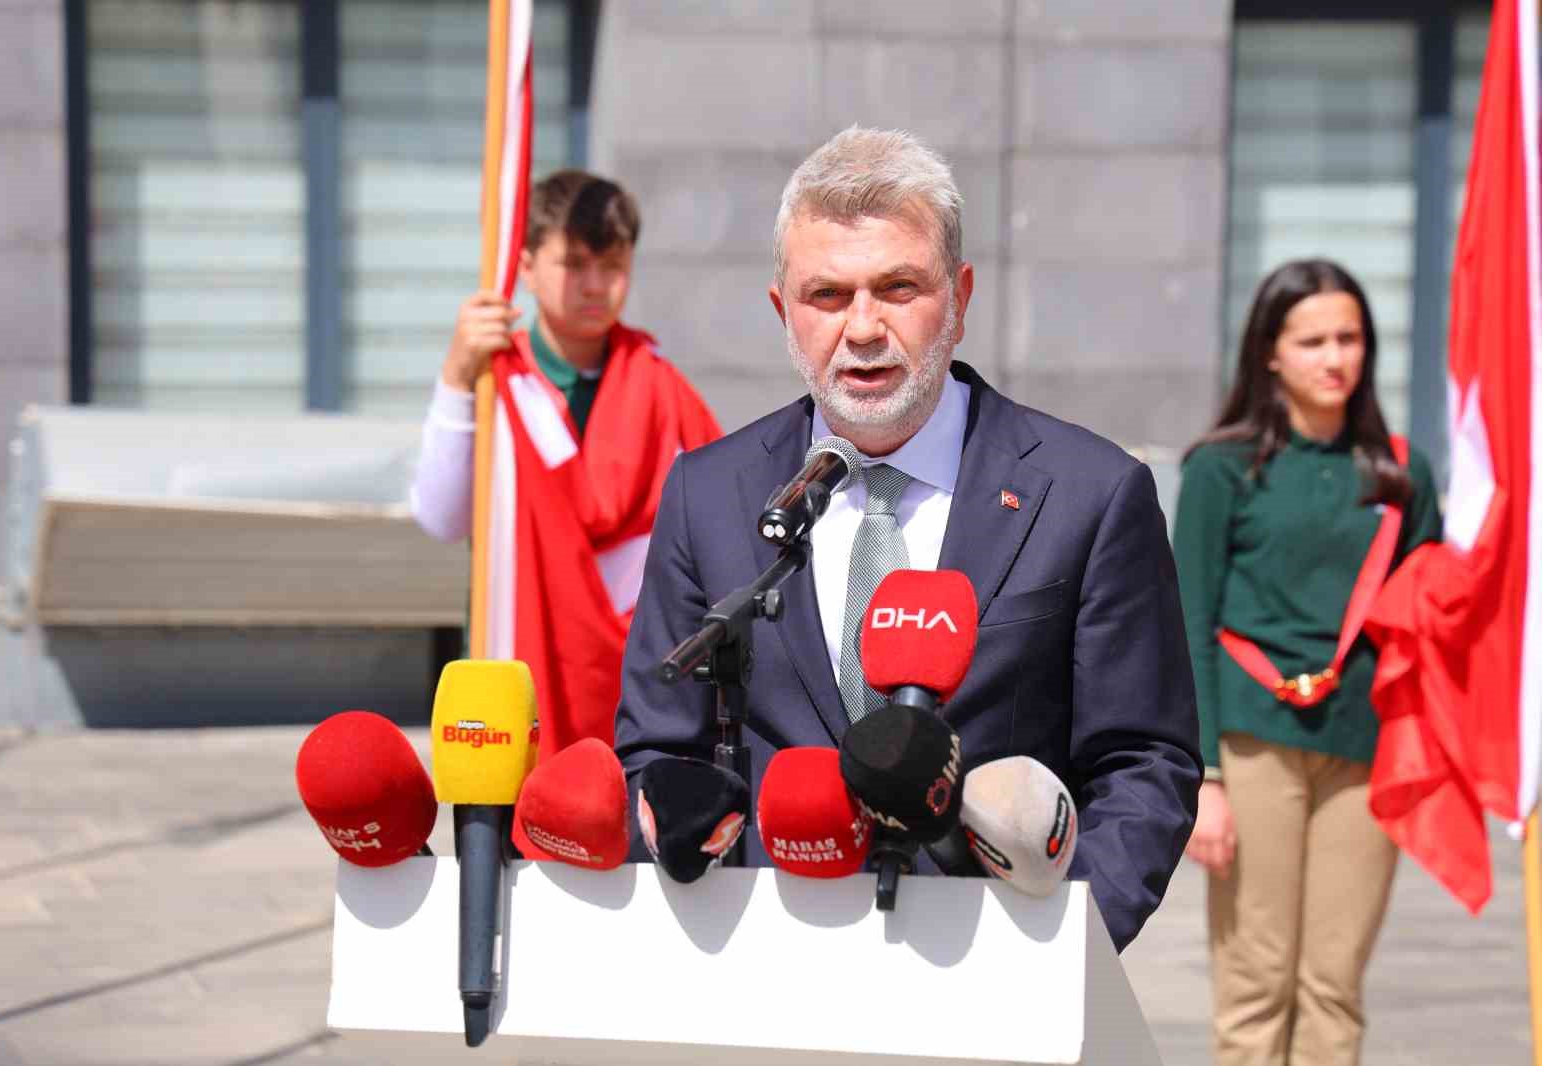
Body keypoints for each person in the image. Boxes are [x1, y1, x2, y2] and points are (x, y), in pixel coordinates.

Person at [614, 126, 1201, 952]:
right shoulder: (708, 494)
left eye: (898, 288)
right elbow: (656, 746)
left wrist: (1066, 949)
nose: (862, 328)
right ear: (783, 311)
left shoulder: (1090, 494)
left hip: (999, 967)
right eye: (827, 295)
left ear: (958, 300)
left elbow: (1143, 763)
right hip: (767, 967)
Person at [1175, 259, 1442, 1065]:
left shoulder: (1399, 473)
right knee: (1257, 982)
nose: (1336, 357)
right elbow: (1188, 620)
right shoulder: (1220, 469)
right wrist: (1205, 780)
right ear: (1270, 352)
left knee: (1333, 986)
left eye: (1350, 338)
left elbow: (1429, 619)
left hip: (1368, 754)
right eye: (1314, 339)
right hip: (1254, 745)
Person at [412, 169, 721, 766]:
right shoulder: (494, 380)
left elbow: (716, 527)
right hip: (518, 671)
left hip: (640, 681)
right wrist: (455, 376)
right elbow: (440, 517)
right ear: (525, 265)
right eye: (574, 264)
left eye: (613, 266)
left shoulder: (662, 388)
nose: (595, 285)